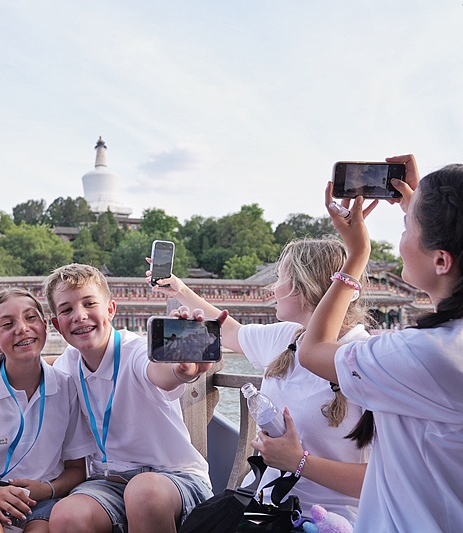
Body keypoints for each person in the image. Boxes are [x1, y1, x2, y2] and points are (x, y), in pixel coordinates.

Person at [149, 237, 372, 523]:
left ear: (302, 286)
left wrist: (299, 463)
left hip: (330, 521)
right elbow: (228, 331)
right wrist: (178, 290)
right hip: (261, 509)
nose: (272, 288)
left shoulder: (366, 360)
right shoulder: (286, 336)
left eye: (280, 278)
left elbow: (384, 481)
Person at [300, 155, 463, 531]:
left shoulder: (423, 355)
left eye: (406, 229)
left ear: (441, 260)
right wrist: (425, 209)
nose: (401, 240)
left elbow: (312, 350)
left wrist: (356, 257)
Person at [43, 264, 213, 533]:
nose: (80, 315)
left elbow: (159, 370)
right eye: (66, 310)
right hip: (108, 481)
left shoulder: (135, 351)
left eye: (90, 303)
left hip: (173, 479)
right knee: (66, 516)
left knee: (143, 493)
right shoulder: (69, 362)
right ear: (57, 325)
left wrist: (181, 369)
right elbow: (43, 367)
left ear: (110, 309)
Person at [0, 287, 91, 533]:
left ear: (45, 326)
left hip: (43, 500)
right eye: (7, 324)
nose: (22, 328)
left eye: (30, 317)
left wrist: (47, 489)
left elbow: (77, 469)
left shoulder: (67, 387)